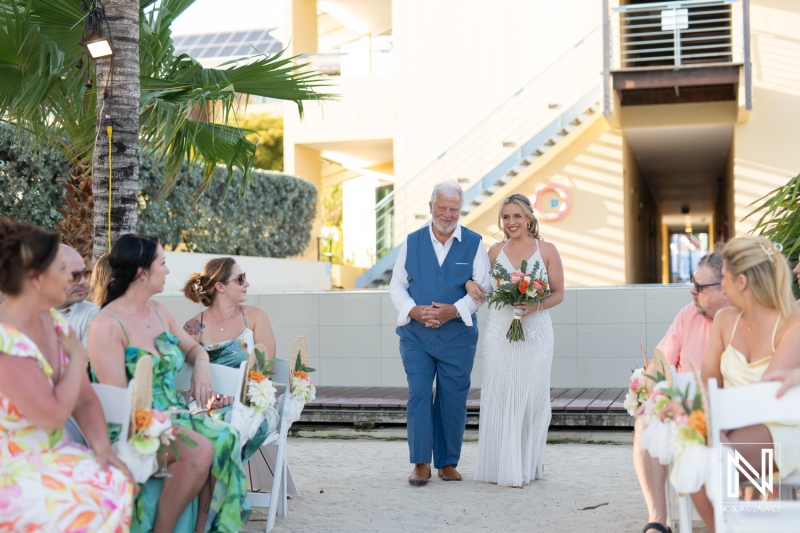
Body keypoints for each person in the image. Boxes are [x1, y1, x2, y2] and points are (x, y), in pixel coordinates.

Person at [88, 234, 249, 533]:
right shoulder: (106, 324)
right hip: (135, 425)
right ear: (141, 273)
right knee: (201, 449)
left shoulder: (160, 311)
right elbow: (120, 402)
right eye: (162, 263)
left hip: (173, 414)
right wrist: (161, 420)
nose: (168, 270)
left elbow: (194, 348)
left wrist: (201, 364)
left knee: (226, 437)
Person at [0, 217, 133, 531]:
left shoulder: (54, 323)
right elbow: (54, 415)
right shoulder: (6, 339)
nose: (77, 280)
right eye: (62, 270)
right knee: (83, 500)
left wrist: (103, 449)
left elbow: (85, 399)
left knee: (116, 481)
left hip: (52, 452)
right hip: (12, 463)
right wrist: (77, 358)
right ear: (35, 278)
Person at [693, 237, 800, 531]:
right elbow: (708, 382)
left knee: (707, 465)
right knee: (694, 462)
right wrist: (712, 428)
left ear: (741, 282)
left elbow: (767, 397)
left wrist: (720, 432)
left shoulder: (793, 323)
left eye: (724, 278)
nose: (722, 286)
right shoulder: (725, 320)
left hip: (781, 431)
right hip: (732, 427)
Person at [389, 181, 492, 485]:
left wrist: (452, 311)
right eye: (442, 207)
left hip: (457, 338)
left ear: (460, 211)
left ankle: (447, 462)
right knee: (419, 394)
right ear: (430, 207)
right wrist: (413, 310)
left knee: (453, 399)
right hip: (417, 336)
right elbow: (397, 284)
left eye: (454, 209)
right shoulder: (412, 241)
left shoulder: (474, 243)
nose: (447, 214)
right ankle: (421, 462)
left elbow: (482, 287)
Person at [469, 194, 564, 487]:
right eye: (506, 217)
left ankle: (526, 464)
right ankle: (502, 466)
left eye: (517, 216)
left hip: (536, 331)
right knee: (501, 393)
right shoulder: (494, 251)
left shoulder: (547, 250)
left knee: (531, 396)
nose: (511, 222)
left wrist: (534, 305)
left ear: (529, 218)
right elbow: (482, 287)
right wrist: (469, 282)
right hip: (500, 331)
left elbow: (558, 293)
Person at [632, 252, 727, 533]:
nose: (692, 291)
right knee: (645, 419)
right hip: (684, 409)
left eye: (700, 286)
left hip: (727, 411)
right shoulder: (688, 314)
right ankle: (658, 520)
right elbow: (657, 368)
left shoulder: (747, 321)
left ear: (727, 288)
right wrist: (658, 397)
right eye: (692, 283)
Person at [182, 257, 277, 459]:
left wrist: (237, 396)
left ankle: (218, 486)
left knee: (232, 422)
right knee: (193, 429)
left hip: (253, 402)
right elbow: (185, 373)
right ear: (220, 286)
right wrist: (208, 399)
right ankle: (215, 485)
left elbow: (265, 369)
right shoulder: (192, 327)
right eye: (240, 279)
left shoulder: (256, 316)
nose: (247, 283)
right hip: (207, 405)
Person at [59, 244, 100, 346]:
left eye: (83, 273)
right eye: (74, 276)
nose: (83, 281)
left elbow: (87, 361)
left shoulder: (93, 315)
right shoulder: (21, 314)